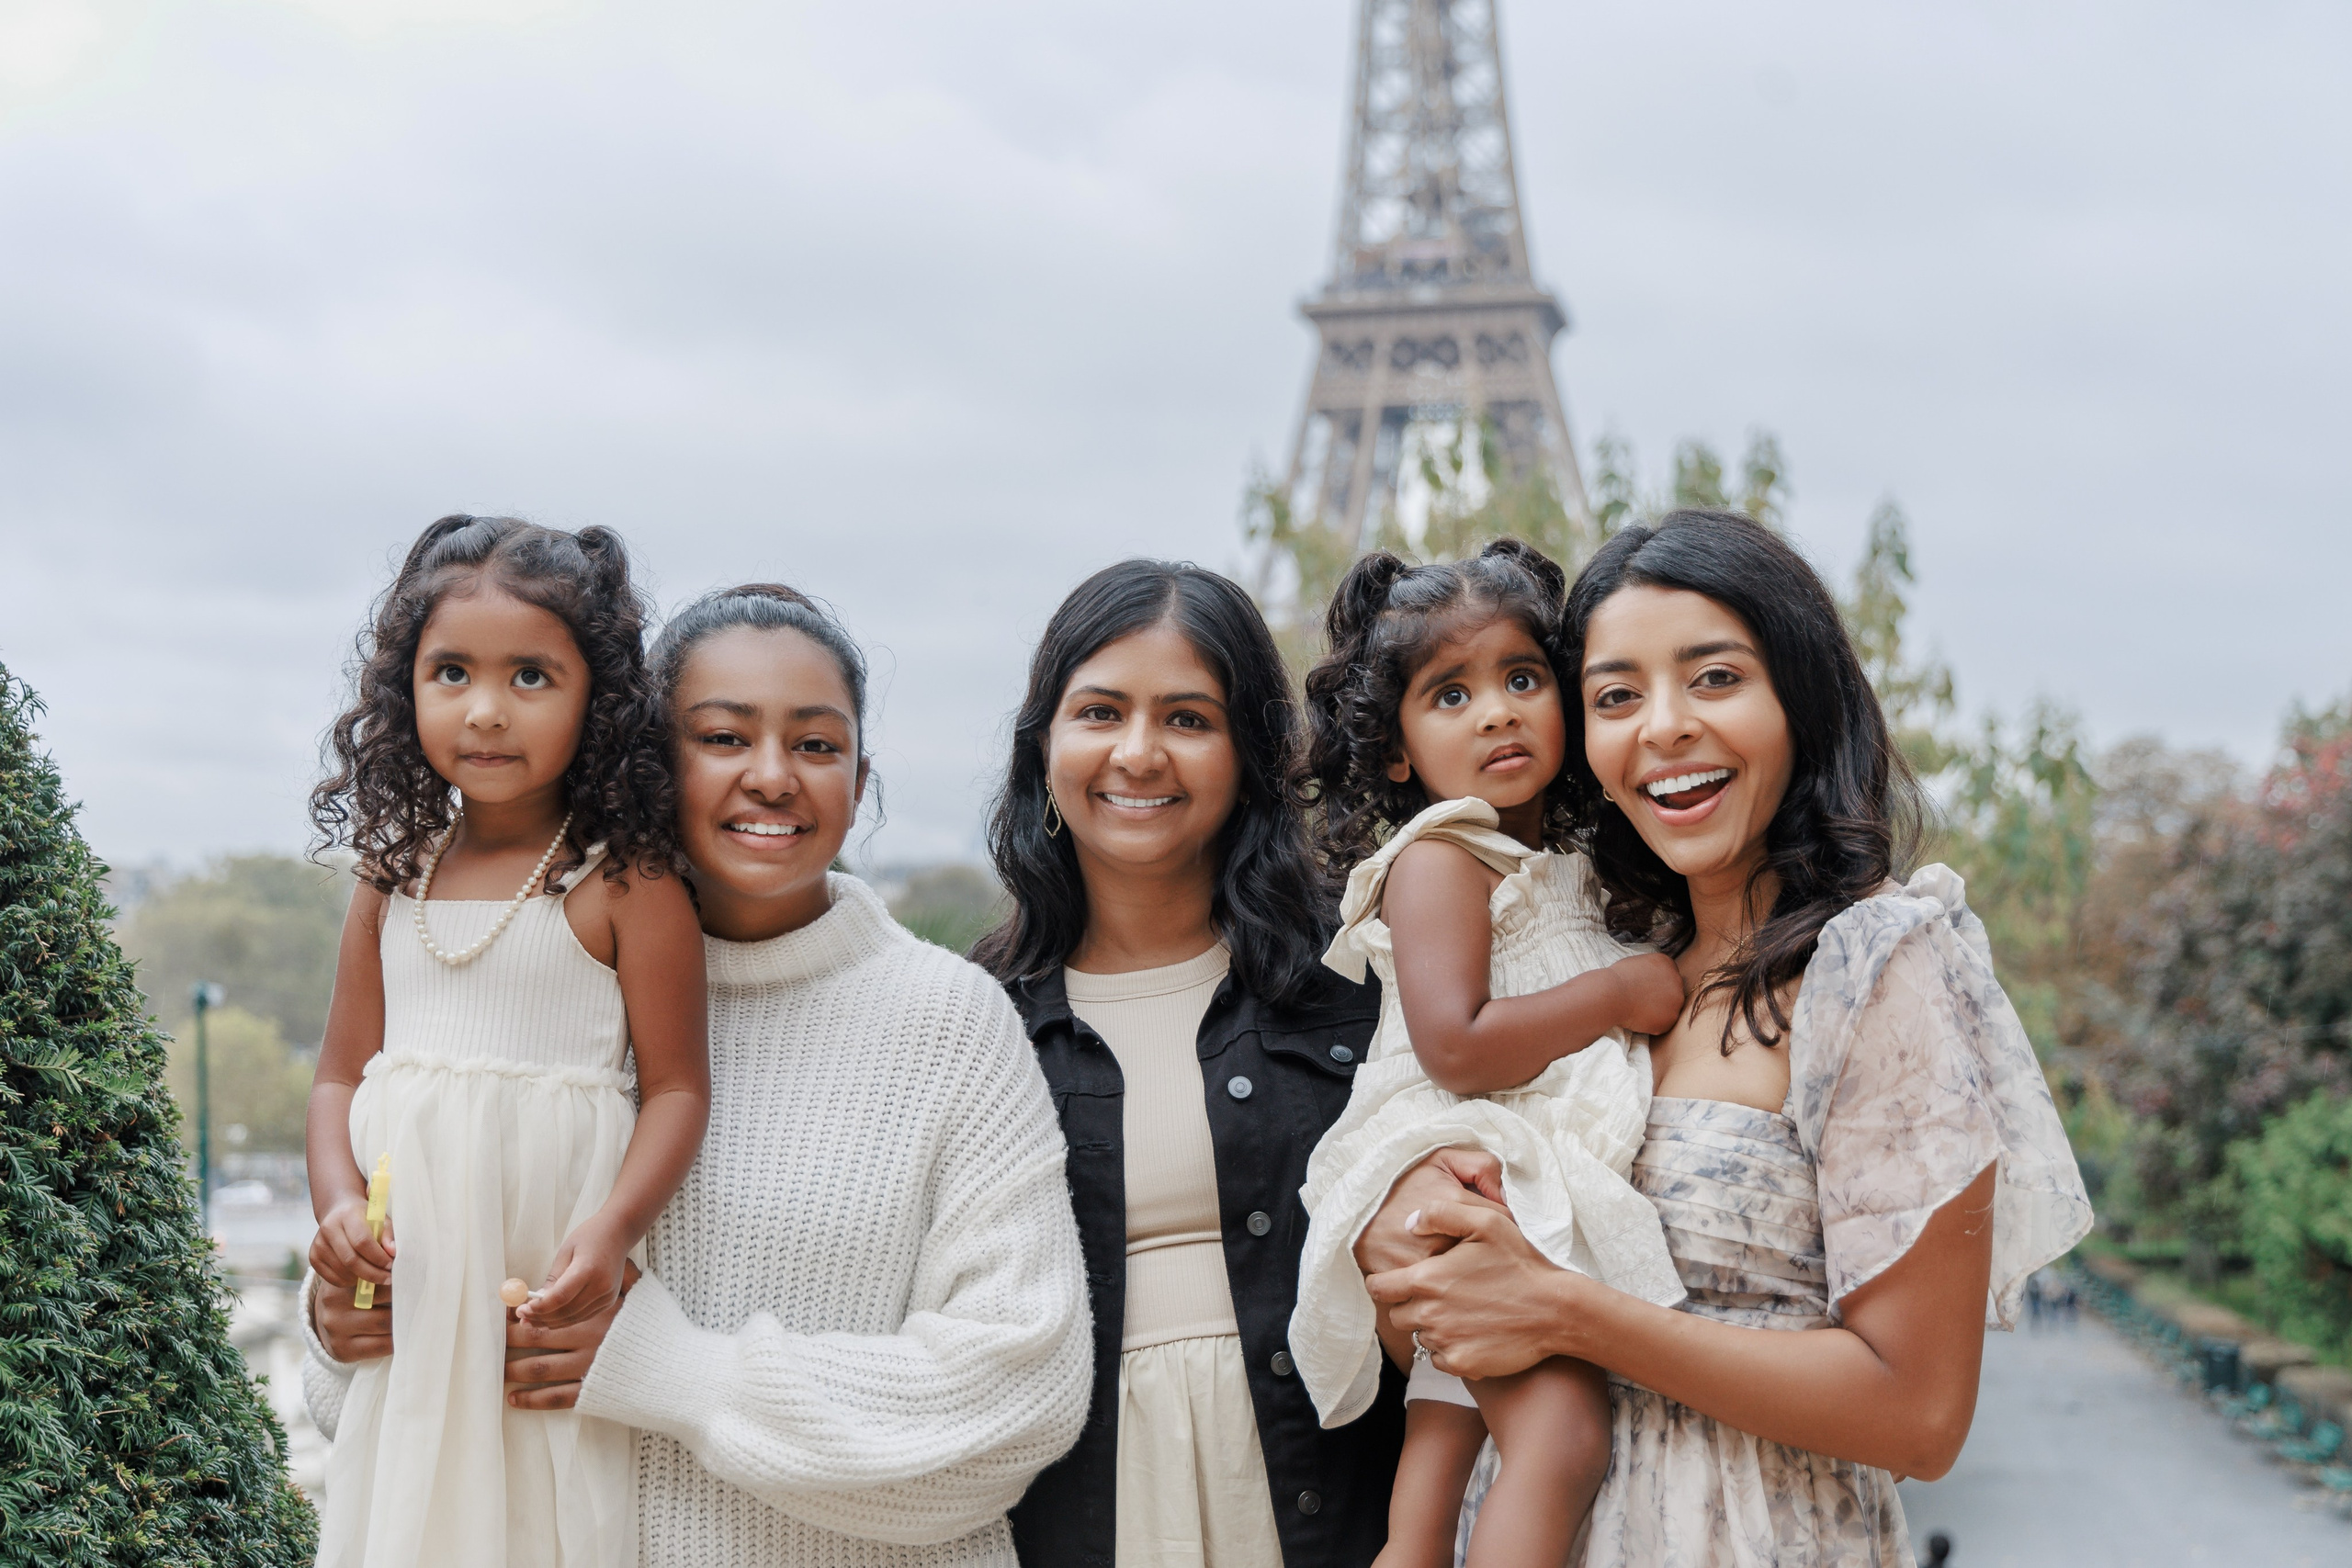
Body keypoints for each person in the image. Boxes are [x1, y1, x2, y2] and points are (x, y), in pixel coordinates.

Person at [1355, 512, 2095, 1566]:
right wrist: (1411, 1259)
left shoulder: (1874, 966)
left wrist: (1568, 1312)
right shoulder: (1595, 967)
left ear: (1800, 697)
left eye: (1712, 679)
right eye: (1615, 697)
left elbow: (1919, 1418)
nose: (1661, 728)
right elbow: (1462, 1336)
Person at [304, 581, 1092, 1568]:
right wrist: (346, 1322)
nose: (772, 777)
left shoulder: (946, 1021)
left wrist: (675, 1373)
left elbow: (1018, 1402)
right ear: (636, 761)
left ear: (861, 774)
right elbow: (368, 1416)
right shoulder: (518, 998)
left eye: (816, 745)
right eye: (721, 738)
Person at [975, 559, 1408, 1568]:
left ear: (1249, 753)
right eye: (1099, 712)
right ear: (1044, 746)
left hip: (1332, 1499)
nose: (1138, 753)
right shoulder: (973, 1022)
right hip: (1078, 1515)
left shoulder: (1363, 971)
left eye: (1187, 718)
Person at [305, 514, 709, 1568]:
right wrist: (338, 1207)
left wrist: (614, 1230)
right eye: (451, 673)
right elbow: (338, 1075)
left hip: (536, 1294)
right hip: (418, 1290)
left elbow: (675, 1090)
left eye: (531, 676)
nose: (485, 711)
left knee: (537, 1515)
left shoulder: (623, 878)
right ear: (407, 691)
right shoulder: (391, 876)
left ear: (600, 700)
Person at [1284, 540, 1689, 1568]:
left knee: (1426, 1497)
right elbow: (1456, 1047)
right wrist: (1618, 991)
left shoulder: (1563, 862)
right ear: (1393, 753)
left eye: (1521, 679)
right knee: (1560, 1442)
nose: (1498, 711)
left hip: (1507, 1179)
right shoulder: (1438, 857)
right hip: (1476, 1175)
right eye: (1451, 695)